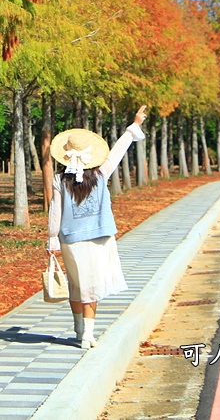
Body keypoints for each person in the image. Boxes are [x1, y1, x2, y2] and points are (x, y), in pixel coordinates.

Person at [46, 105, 148, 349]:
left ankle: (79, 328)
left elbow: (55, 211)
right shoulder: (101, 173)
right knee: (93, 285)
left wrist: (52, 240)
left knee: (76, 283)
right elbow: (118, 151)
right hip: (99, 237)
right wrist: (135, 125)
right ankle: (87, 336)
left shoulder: (59, 179)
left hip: (70, 238)